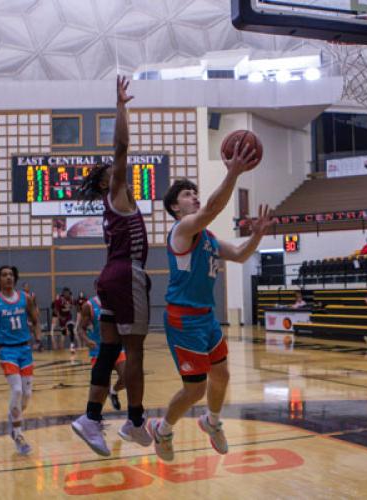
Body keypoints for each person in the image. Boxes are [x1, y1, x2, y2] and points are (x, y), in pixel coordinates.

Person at [146, 144, 271, 463]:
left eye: (195, 191)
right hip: (183, 320)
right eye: (187, 194)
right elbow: (212, 210)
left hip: (207, 317)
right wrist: (233, 172)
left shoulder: (210, 239)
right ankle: (162, 429)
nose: (195, 196)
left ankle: (211, 422)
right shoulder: (182, 230)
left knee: (223, 376)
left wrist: (256, 235)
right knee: (195, 390)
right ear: (175, 207)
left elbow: (242, 255)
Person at [72, 76, 151, 456]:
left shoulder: (112, 206)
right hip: (127, 273)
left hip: (109, 276)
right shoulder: (117, 193)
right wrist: (121, 106)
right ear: (109, 181)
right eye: (115, 171)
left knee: (108, 351)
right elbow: (121, 146)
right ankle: (135, 422)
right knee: (134, 352)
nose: (122, 170)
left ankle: (90, 417)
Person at [0, 266, 42, 455]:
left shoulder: (25, 298)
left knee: (27, 395)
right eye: (4, 275)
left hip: (25, 350)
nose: (8, 278)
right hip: (7, 351)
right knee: (17, 389)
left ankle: (14, 418)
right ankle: (18, 433)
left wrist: (38, 338)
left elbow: (36, 320)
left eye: (11, 275)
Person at [78, 290, 125, 411]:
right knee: (101, 388)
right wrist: (87, 341)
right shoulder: (89, 306)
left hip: (117, 347)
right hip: (99, 350)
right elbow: (80, 329)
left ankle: (113, 392)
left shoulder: (118, 301)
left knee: (126, 377)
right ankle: (95, 417)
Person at [54, 287, 76, 353]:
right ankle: (60, 348)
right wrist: (60, 317)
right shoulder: (59, 300)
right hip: (62, 318)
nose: (68, 295)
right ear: (63, 294)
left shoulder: (71, 299)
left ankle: (72, 345)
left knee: (71, 328)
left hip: (68, 317)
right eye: (66, 293)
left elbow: (73, 305)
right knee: (64, 333)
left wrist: (71, 306)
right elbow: (55, 310)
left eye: (68, 293)